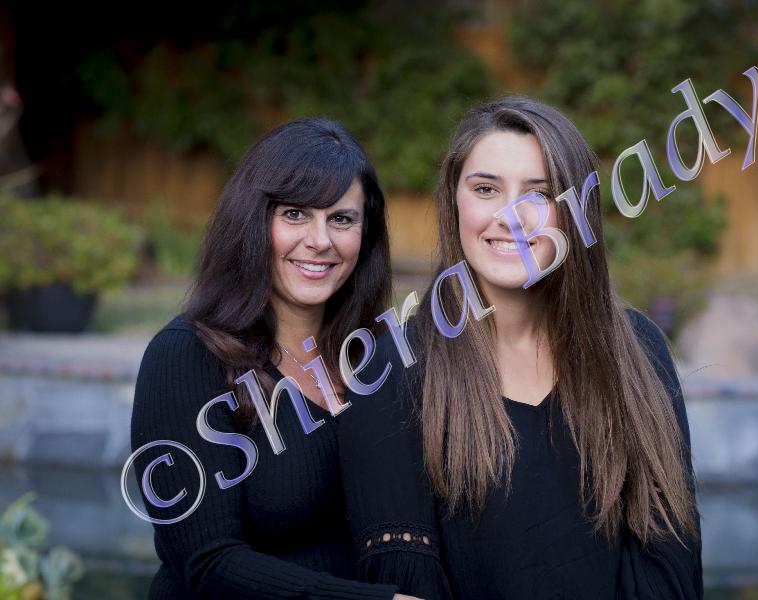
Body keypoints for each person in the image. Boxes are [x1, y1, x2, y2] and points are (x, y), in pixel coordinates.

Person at [339, 97, 703, 599]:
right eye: (486, 189)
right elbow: (405, 583)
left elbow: (670, 563)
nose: (511, 216)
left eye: (540, 193)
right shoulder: (390, 371)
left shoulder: (638, 350)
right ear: (454, 200)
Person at [130, 118, 419, 599]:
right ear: (252, 221)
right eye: (295, 214)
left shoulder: (377, 355)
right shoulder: (187, 355)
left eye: (341, 219)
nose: (320, 240)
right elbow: (207, 561)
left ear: (365, 236)